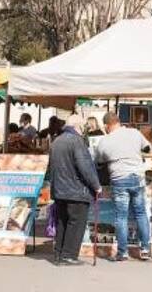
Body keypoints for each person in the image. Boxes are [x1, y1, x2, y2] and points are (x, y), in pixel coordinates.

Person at [94, 112, 152, 261]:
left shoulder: (104, 141)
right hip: (138, 177)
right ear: (118, 122)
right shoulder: (134, 133)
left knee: (121, 216)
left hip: (119, 179)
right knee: (141, 213)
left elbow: (99, 161)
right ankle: (145, 249)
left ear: (107, 126)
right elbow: (148, 148)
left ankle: (123, 252)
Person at [48, 114, 101, 266]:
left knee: (62, 221)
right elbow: (85, 166)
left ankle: (59, 254)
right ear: (78, 126)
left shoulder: (57, 140)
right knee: (76, 223)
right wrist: (96, 185)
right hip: (76, 190)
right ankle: (69, 255)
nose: (84, 129)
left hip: (60, 189)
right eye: (83, 126)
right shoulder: (77, 141)